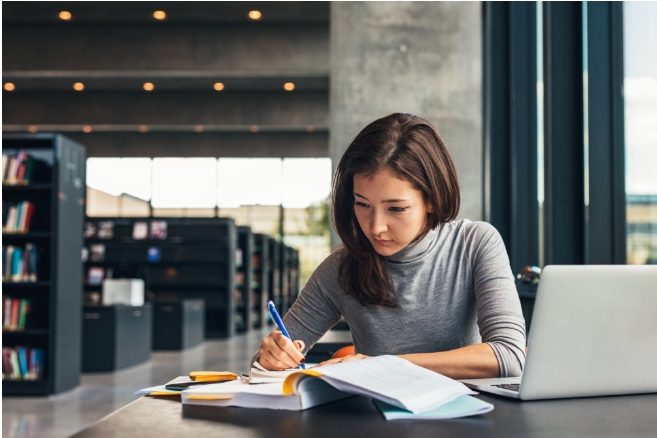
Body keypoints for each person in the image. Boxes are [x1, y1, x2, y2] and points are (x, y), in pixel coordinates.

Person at [256, 113, 526, 379]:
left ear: (432, 200)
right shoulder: (340, 268)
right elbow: (262, 368)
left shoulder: (474, 243)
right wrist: (269, 358)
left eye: (396, 208)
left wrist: (379, 365)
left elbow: (509, 355)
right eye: (362, 204)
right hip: (377, 420)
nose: (375, 227)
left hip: (467, 416)